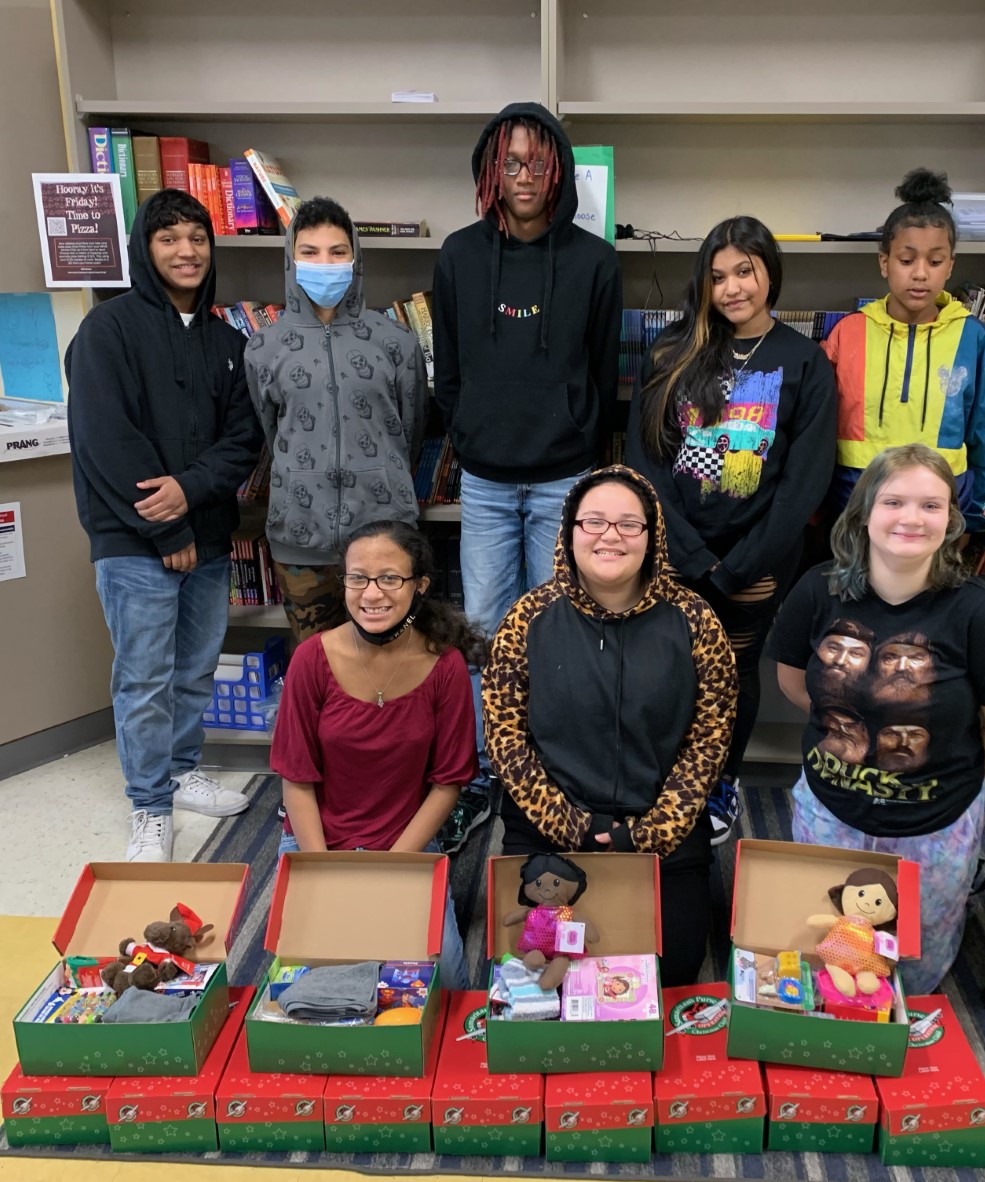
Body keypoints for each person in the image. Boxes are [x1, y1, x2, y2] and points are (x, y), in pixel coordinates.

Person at [766, 444, 985, 993]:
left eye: (931, 506)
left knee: (911, 970)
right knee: (826, 954)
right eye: (894, 501)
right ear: (864, 512)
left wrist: (944, 780)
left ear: (950, 520)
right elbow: (796, 686)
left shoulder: (983, 613)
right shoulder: (817, 589)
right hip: (830, 811)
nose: (912, 519)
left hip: (933, 826)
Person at [433, 100, 624, 853]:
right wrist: (469, 428)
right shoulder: (457, 255)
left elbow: (605, 375)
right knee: (484, 627)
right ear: (490, 168)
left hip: (563, 478)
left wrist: (577, 434)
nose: (523, 175)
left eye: (537, 162)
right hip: (482, 477)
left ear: (559, 173)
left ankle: (539, 760)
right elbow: (446, 370)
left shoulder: (594, 261)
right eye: (509, 161)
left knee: (554, 624)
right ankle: (487, 768)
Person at [65, 189, 264, 862]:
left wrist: (191, 493)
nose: (187, 251)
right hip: (133, 543)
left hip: (206, 537)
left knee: (195, 669)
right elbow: (106, 440)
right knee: (145, 675)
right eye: (169, 238)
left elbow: (243, 440)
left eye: (198, 238)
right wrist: (167, 528)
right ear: (145, 251)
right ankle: (149, 803)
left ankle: (182, 769)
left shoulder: (227, 341)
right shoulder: (108, 330)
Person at [482, 466, 737, 987]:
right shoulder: (528, 618)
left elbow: (710, 738)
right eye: (593, 521)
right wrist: (571, 826)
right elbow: (506, 739)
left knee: (674, 968)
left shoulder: (695, 619)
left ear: (652, 535)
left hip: (660, 826)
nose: (610, 536)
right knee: (527, 970)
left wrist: (655, 830)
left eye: (628, 524)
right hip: (550, 822)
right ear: (569, 531)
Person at [626, 215, 836, 846]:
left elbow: (805, 480)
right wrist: (688, 555)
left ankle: (720, 783)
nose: (732, 288)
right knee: (671, 672)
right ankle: (666, 781)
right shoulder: (672, 351)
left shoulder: (805, 361)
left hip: (758, 560)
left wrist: (739, 566)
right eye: (717, 276)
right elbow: (645, 461)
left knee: (733, 676)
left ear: (770, 270)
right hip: (675, 553)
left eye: (744, 271)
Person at [268, 520, 482, 990]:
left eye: (390, 578)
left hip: (405, 845)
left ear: (419, 585)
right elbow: (297, 781)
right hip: (316, 844)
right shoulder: (311, 659)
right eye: (357, 577)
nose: (371, 593)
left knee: (443, 985)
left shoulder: (445, 665)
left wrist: (389, 873)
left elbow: (448, 783)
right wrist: (327, 876)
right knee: (304, 989)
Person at [244, 195, 428, 641]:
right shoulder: (264, 347)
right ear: (292, 260)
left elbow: (413, 431)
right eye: (310, 252)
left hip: (383, 537)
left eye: (337, 252)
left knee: (389, 667)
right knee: (317, 668)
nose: (324, 263)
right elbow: (270, 431)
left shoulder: (396, 341)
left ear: (355, 258)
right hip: (300, 541)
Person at [820, 168, 985, 534]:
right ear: (884, 262)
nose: (920, 274)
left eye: (935, 262)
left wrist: (977, 520)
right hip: (854, 511)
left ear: (950, 265)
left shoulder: (972, 338)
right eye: (907, 261)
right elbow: (815, 431)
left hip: (939, 515)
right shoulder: (848, 332)